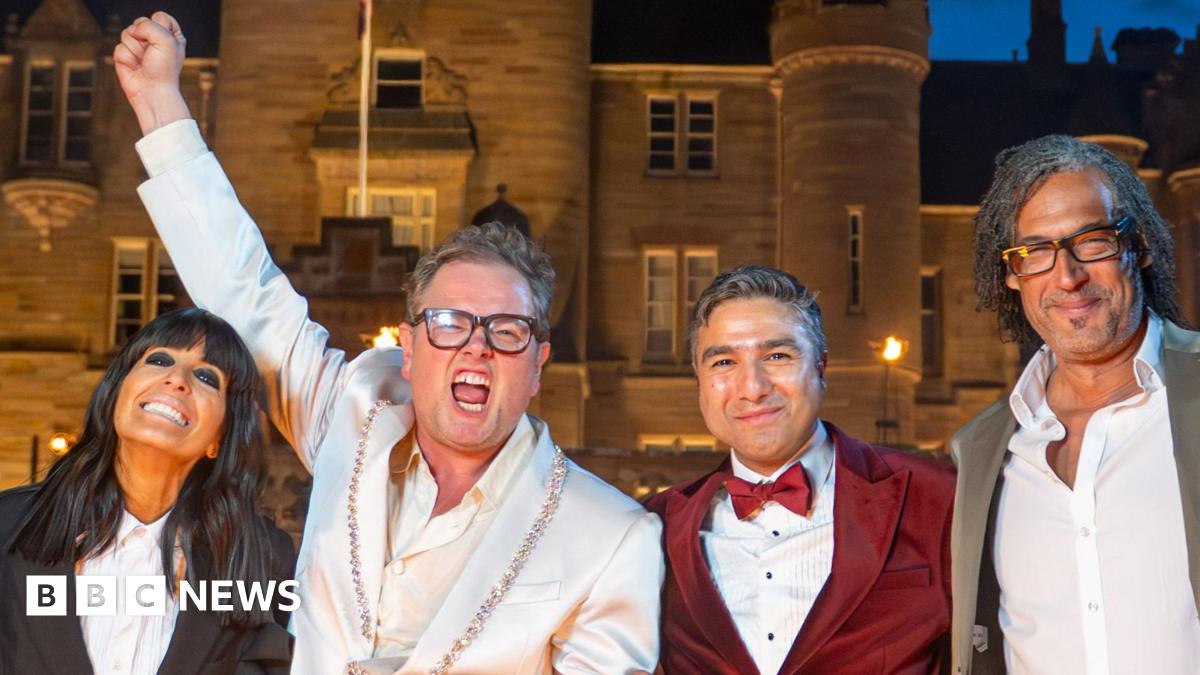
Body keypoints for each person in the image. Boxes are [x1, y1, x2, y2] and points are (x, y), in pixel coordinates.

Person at [114, 12, 663, 674]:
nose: (475, 349)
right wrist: (158, 103)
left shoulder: (611, 533)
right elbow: (244, 295)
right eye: (450, 322)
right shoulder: (352, 417)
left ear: (538, 363)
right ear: (409, 346)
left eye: (507, 330)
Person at [951, 134, 1200, 674]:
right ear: (1012, 276)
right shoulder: (981, 451)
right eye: (1035, 251)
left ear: (1141, 245)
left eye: (1093, 241)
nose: (1067, 276)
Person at [645, 264, 955, 675]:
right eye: (723, 362)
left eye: (777, 356)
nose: (752, 387)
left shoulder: (937, 497)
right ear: (699, 382)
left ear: (820, 368)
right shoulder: (655, 526)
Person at [0, 308, 295, 675]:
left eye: (207, 376)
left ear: (220, 437)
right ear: (117, 395)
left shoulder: (265, 560)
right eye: (159, 359)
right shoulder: (9, 526)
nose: (176, 378)